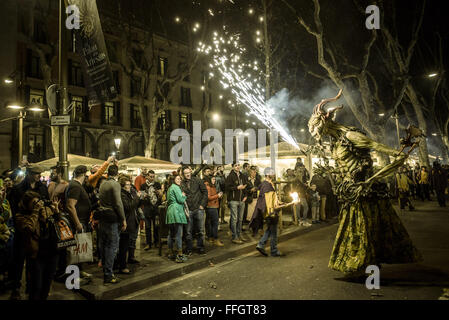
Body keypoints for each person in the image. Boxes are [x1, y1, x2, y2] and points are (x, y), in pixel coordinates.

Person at [308, 89, 421, 276]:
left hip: (363, 187)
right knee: (354, 225)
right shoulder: (335, 143)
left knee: (364, 225)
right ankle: (360, 262)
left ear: (326, 122)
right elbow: (343, 163)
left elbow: (374, 145)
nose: (318, 134)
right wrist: (331, 171)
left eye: (318, 129)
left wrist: (398, 154)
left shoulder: (351, 136)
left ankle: (366, 263)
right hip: (349, 189)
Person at [7, 165, 49, 300]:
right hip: (23, 227)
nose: (39, 176)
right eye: (36, 174)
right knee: (18, 259)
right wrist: (21, 223)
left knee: (34, 259)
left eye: (40, 174)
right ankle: (16, 287)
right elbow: (13, 209)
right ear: (29, 174)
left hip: (37, 228)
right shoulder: (18, 188)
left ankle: (32, 287)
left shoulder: (42, 188)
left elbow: (45, 204)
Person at [15, 191, 59, 300]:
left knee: (46, 285)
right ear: (26, 204)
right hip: (36, 256)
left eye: (37, 201)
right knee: (36, 286)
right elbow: (29, 229)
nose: (37, 204)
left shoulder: (45, 210)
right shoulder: (20, 216)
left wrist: (56, 210)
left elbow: (58, 224)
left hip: (51, 253)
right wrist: (35, 211)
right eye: (33, 203)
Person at [255, 168, 289, 257]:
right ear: (267, 174)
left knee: (270, 229)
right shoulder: (267, 186)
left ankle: (261, 244)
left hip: (269, 211)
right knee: (273, 231)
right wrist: (273, 211)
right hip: (270, 212)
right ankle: (273, 250)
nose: (273, 174)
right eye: (272, 173)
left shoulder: (268, 185)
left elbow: (273, 199)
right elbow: (268, 202)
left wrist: (280, 203)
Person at [180, 166, 208, 255]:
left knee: (200, 230)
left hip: (198, 209)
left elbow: (205, 192)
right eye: (186, 173)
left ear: (191, 172)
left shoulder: (198, 180)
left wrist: (202, 205)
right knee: (188, 231)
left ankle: (200, 247)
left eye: (189, 172)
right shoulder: (181, 183)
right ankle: (189, 248)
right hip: (188, 210)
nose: (188, 174)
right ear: (183, 174)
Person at [116, 176, 140, 274]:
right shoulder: (122, 194)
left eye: (130, 184)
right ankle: (122, 266)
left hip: (131, 221)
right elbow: (128, 206)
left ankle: (128, 259)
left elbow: (135, 204)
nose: (129, 186)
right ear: (122, 186)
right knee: (123, 245)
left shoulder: (129, 193)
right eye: (127, 184)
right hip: (125, 222)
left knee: (129, 242)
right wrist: (137, 198)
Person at [166, 175, 189, 263]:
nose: (180, 180)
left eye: (180, 179)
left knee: (171, 234)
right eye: (178, 179)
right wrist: (183, 195)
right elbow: (180, 200)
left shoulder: (170, 188)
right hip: (177, 211)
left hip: (171, 211)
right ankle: (179, 255)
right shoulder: (176, 187)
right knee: (179, 234)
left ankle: (170, 252)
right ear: (173, 180)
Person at [225, 163, 248, 244]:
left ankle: (239, 234)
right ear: (233, 167)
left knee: (240, 219)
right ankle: (234, 236)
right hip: (233, 200)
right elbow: (227, 187)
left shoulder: (242, 175)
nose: (237, 167)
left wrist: (245, 196)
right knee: (234, 219)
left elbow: (246, 186)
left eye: (238, 165)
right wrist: (236, 188)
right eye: (235, 165)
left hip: (242, 200)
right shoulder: (230, 176)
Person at [140, 170, 162, 250]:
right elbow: (141, 197)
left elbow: (161, 195)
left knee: (156, 227)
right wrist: (144, 196)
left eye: (153, 176)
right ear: (147, 177)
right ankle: (148, 243)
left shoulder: (157, 184)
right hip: (147, 208)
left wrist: (159, 193)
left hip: (155, 208)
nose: (152, 178)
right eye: (151, 177)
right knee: (148, 227)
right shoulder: (143, 185)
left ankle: (156, 242)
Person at [204, 176, 224, 247]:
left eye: (215, 179)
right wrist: (217, 196)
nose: (214, 180)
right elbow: (208, 197)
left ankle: (211, 238)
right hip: (211, 206)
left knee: (211, 223)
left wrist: (219, 195)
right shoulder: (208, 187)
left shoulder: (212, 186)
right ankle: (215, 239)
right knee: (215, 223)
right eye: (213, 179)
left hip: (213, 206)